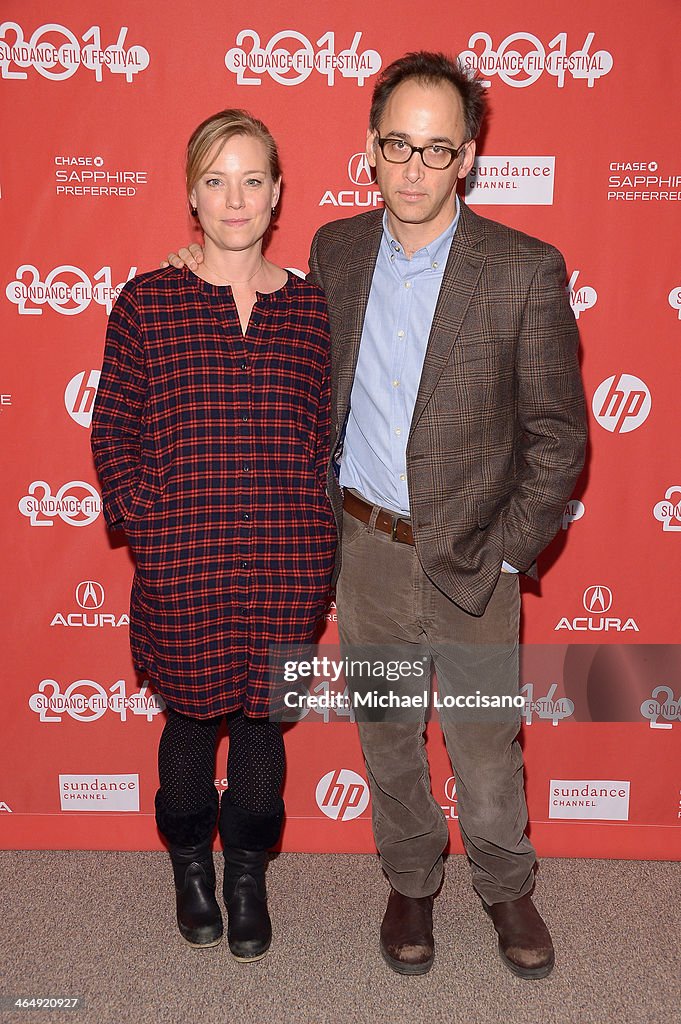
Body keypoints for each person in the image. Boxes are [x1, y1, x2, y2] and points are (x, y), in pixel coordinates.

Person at [165, 51, 587, 979]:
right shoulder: (336, 252)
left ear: (467, 158)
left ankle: (506, 883)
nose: (413, 167)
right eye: (397, 144)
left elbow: (558, 441)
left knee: (482, 748)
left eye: (436, 150)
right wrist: (190, 268)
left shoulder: (524, 270)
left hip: (473, 557)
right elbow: (258, 317)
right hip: (361, 550)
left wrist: (508, 552)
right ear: (370, 146)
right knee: (389, 738)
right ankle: (408, 878)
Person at [92, 109, 336, 962]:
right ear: (191, 195)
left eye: (252, 179)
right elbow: (112, 431)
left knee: (264, 733)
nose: (235, 199)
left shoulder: (310, 310)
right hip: (183, 566)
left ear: (277, 193)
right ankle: (192, 864)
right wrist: (149, 525)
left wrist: (314, 534)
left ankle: (247, 876)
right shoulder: (148, 302)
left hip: (285, 567)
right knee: (192, 729)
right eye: (215, 180)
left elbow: (324, 439)